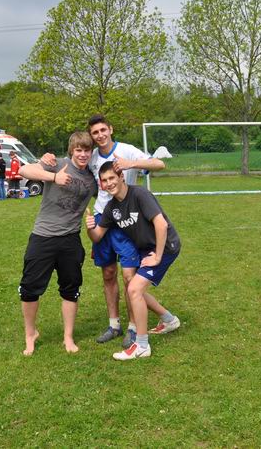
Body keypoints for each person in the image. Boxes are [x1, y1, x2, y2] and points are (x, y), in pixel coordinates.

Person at [42, 114, 165, 347]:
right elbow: (73, 162)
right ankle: (114, 324)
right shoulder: (92, 156)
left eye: (102, 130)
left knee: (129, 276)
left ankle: (133, 327)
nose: (100, 135)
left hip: (127, 220)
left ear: (110, 129)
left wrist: (131, 164)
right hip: (102, 218)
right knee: (108, 273)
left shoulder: (127, 151)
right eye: (95, 133)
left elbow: (159, 164)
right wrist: (47, 158)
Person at [86, 161, 181, 360]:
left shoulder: (139, 194)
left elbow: (161, 225)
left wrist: (158, 256)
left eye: (112, 178)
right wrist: (89, 228)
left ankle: (142, 346)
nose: (109, 183)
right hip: (147, 249)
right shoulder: (112, 207)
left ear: (121, 177)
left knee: (134, 290)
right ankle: (168, 319)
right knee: (135, 289)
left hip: (166, 246)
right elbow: (97, 236)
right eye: (104, 180)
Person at [17, 131, 98, 356]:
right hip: (42, 237)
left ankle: (68, 337)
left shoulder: (92, 179)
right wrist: (53, 177)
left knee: (70, 290)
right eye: (79, 150)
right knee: (30, 289)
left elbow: (110, 192)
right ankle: (30, 334)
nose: (83, 154)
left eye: (87, 150)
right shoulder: (57, 164)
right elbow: (24, 170)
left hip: (70, 240)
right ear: (72, 150)